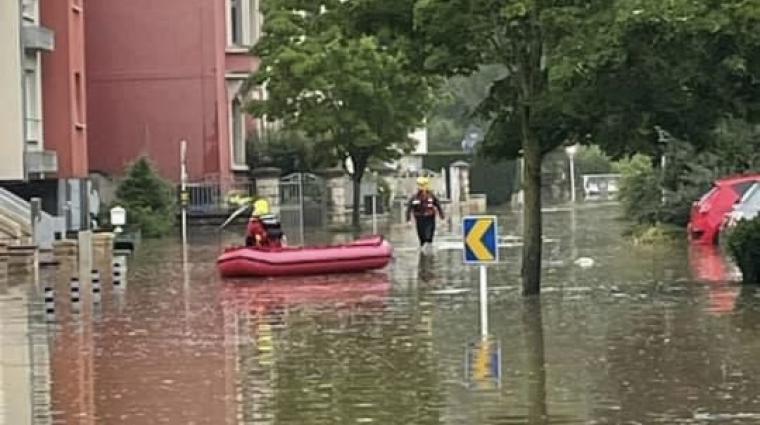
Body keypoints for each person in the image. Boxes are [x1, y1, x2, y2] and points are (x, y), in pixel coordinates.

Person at [406, 176, 445, 249]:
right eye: (420, 185)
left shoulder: (431, 195)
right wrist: (408, 221)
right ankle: (423, 250)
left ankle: (428, 249)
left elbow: (438, 205)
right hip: (419, 218)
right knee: (422, 237)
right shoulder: (415, 197)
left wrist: (442, 218)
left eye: (423, 185)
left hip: (430, 218)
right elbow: (409, 208)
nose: (422, 187)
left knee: (429, 236)